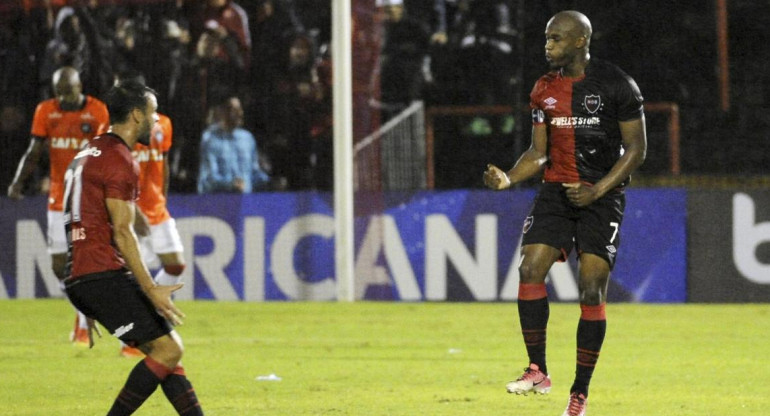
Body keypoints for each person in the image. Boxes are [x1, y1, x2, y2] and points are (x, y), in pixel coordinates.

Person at [483, 10, 646, 416]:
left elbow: (637, 149)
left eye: (556, 39)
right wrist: (508, 178)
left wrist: (598, 190)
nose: (548, 45)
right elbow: (538, 153)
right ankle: (538, 369)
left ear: (580, 41)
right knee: (529, 269)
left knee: (590, 290)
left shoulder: (616, 84)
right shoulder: (543, 89)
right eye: (546, 38)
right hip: (556, 191)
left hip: (601, 195)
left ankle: (580, 394)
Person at [61, 79, 203, 415]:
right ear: (137, 114)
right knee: (169, 350)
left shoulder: (87, 152)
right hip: (101, 274)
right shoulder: (121, 160)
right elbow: (123, 233)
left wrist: (87, 293)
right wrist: (150, 288)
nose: (156, 121)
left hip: (84, 273)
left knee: (163, 351)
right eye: (153, 113)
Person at [7, 66, 109, 346]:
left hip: (88, 197)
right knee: (58, 264)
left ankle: (85, 322)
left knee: (86, 260)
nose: (64, 98)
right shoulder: (45, 111)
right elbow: (34, 151)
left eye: (69, 91)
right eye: (59, 93)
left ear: (80, 86)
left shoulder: (98, 111)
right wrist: (18, 182)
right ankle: (85, 312)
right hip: (58, 196)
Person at [117, 71, 188, 359]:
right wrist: (132, 211)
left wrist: (163, 196)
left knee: (176, 264)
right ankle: (130, 339)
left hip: (158, 208)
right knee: (136, 277)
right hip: (135, 212)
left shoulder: (164, 125)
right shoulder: (123, 131)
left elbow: (164, 162)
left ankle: (152, 307)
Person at [197, 94, 270, 193]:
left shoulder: (247, 138)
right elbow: (208, 179)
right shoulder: (210, 139)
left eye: (240, 109)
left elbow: (254, 172)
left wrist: (268, 180)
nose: (239, 113)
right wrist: (230, 185)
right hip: (218, 202)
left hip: (245, 202)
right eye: (233, 109)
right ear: (222, 112)